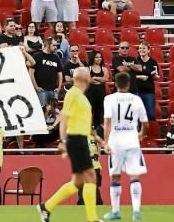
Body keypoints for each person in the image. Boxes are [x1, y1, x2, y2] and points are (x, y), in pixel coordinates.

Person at [38, 67, 98, 222]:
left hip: (81, 138)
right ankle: (92, 219)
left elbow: (80, 119)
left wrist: (96, 137)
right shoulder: (73, 93)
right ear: (85, 78)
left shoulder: (81, 96)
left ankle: (46, 207)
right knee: (91, 176)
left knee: (78, 182)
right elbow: (64, 117)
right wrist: (63, 140)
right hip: (76, 139)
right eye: (89, 74)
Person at [103, 72, 149, 221]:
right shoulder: (136, 99)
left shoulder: (109, 99)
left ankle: (115, 211)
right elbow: (146, 123)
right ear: (129, 84)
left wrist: (105, 142)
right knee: (134, 175)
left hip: (115, 141)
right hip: (131, 140)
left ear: (115, 84)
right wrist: (141, 133)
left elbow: (108, 122)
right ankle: (136, 211)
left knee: (115, 176)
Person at [32, 38, 63, 106]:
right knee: (43, 113)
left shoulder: (56, 57)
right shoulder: (37, 56)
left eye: (56, 45)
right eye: (54, 45)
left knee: (55, 112)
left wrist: (59, 88)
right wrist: (36, 87)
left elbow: (60, 74)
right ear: (48, 45)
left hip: (54, 90)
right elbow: (31, 73)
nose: (56, 47)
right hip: (41, 90)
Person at [134, 42, 159, 122]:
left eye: (144, 48)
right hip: (137, 92)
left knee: (151, 114)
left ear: (148, 50)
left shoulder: (153, 62)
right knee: (137, 115)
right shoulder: (135, 61)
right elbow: (131, 76)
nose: (141, 50)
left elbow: (156, 78)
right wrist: (140, 77)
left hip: (149, 92)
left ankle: (151, 133)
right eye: (140, 48)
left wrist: (154, 75)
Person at [86, 51, 109, 129]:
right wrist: (100, 80)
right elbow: (89, 80)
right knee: (88, 113)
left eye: (100, 57)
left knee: (99, 114)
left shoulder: (104, 69)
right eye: (97, 57)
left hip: (101, 94)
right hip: (90, 94)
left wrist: (96, 78)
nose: (99, 59)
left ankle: (98, 131)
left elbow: (106, 79)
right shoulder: (88, 68)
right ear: (93, 58)